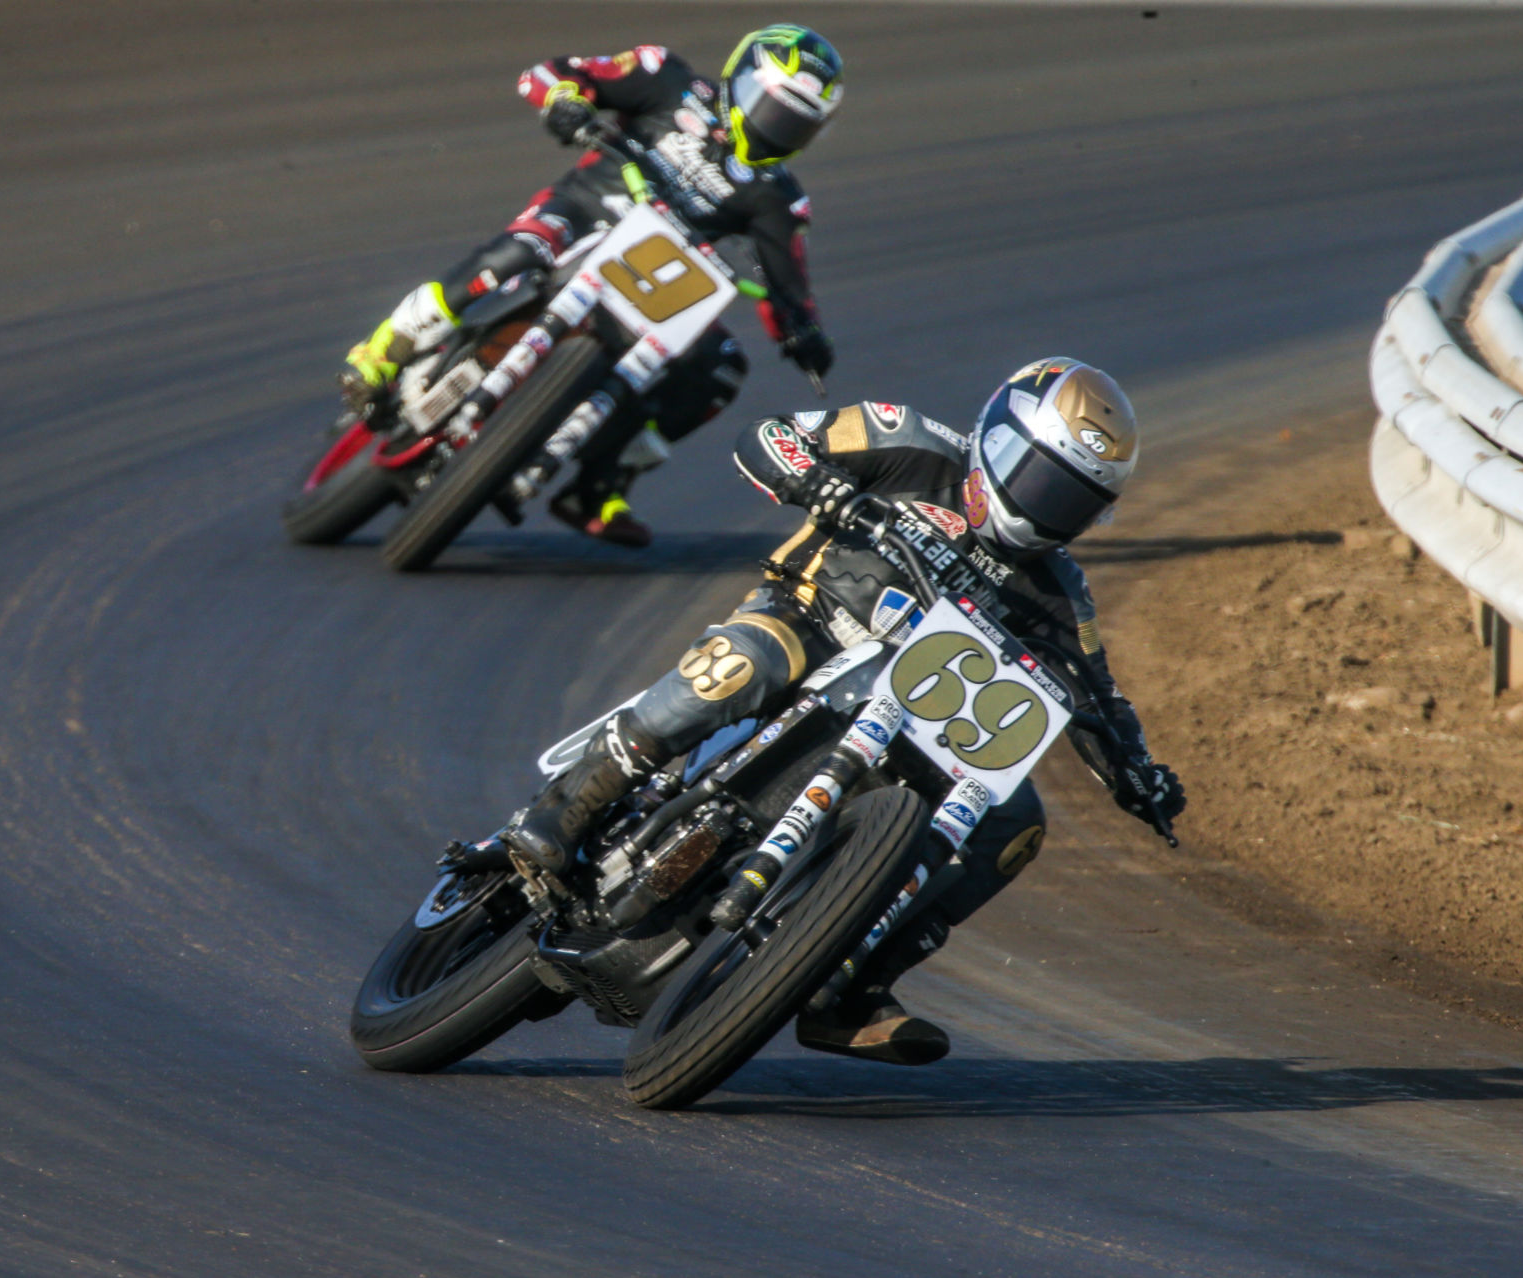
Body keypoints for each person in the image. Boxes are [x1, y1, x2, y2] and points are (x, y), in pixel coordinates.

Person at [500, 359, 1187, 1065]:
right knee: (742, 665)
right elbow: (768, 437)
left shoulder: (1060, 593)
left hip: (916, 720)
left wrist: (1139, 773)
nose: (1045, 508)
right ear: (994, 437)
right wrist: (822, 485)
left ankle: (849, 987)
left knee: (1016, 824)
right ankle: (572, 804)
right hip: (807, 622)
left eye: (1070, 500)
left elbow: (1097, 693)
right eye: (1039, 478)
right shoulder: (910, 441)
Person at [342, 26, 843, 547]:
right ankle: (384, 350)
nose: (777, 129)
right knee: (515, 253)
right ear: (740, 81)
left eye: (797, 124)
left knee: (718, 367)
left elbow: (790, 285)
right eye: (775, 108)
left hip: (662, 287)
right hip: (581, 215)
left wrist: (803, 333)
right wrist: (564, 102)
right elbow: (552, 74)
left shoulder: (779, 198)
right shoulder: (663, 77)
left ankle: (599, 482)